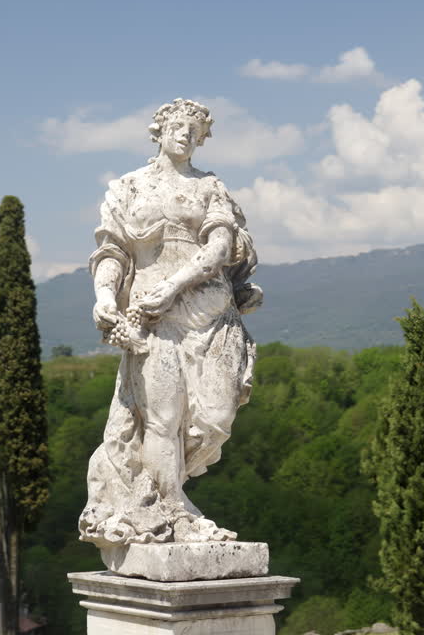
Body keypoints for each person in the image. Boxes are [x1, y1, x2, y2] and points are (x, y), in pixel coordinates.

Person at [79, 98, 263, 551]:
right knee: (162, 419)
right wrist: (105, 296)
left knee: (216, 418)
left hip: (209, 311)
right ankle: (172, 508)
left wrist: (175, 286)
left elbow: (220, 247)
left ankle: (158, 488)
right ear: (159, 132)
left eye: (195, 131)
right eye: (179, 127)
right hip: (150, 316)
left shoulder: (209, 188)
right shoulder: (128, 188)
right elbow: (112, 252)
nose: (186, 135)